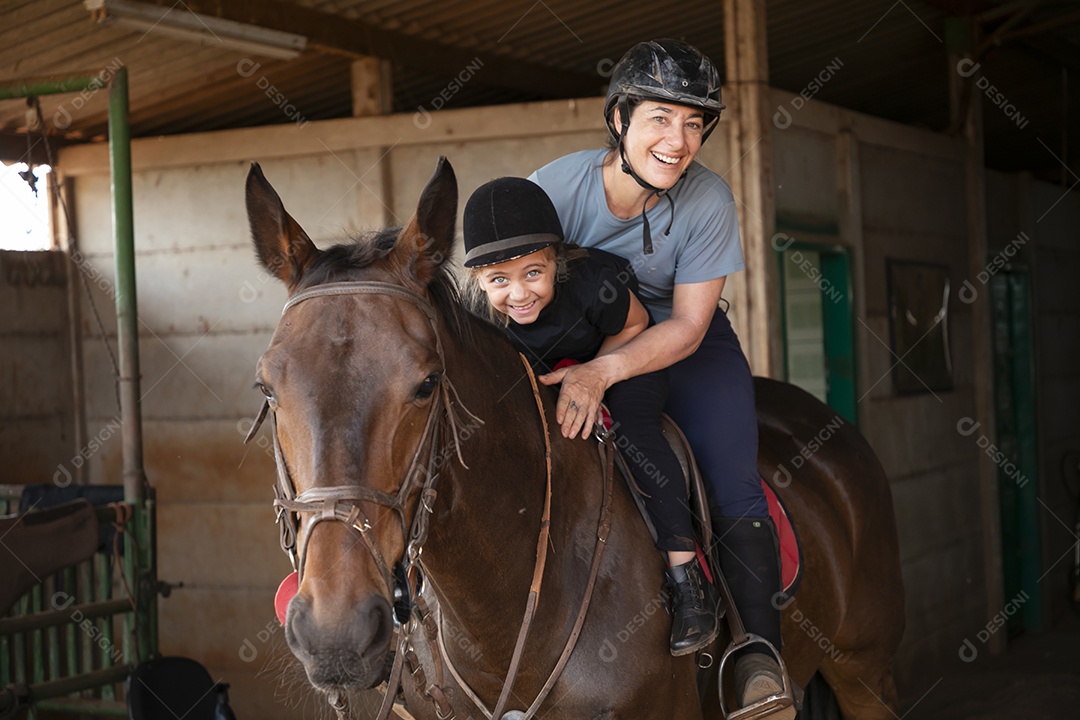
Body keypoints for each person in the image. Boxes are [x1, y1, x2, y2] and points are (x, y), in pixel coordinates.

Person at [529, 39, 792, 717]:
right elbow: (512, 290)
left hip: (685, 346)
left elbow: (688, 328)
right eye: (660, 119)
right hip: (578, 344)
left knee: (734, 481)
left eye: (694, 124)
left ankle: (759, 659)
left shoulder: (709, 200)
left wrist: (602, 374)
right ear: (618, 119)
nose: (679, 142)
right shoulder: (552, 190)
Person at [463, 176, 719, 656]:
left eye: (533, 273)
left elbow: (636, 326)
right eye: (500, 280)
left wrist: (595, 373)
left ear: (557, 260)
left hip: (620, 361)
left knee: (634, 433)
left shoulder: (594, 282)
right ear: (478, 282)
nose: (519, 294)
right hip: (543, 382)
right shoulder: (474, 315)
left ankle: (688, 580)